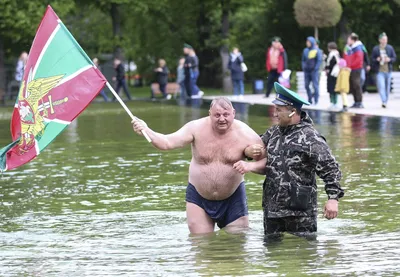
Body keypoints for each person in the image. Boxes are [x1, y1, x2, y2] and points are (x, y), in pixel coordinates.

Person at [132, 97, 264, 234]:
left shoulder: (245, 133)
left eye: (226, 115)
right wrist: (146, 130)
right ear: (209, 113)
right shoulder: (195, 128)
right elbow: (167, 143)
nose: (222, 119)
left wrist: (250, 166)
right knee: (200, 244)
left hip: (233, 196)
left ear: (234, 113)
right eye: (217, 115)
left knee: (236, 246)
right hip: (199, 198)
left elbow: (267, 162)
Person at [233, 82, 344, 239]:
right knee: (271, 255)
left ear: (293, 112)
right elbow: (254, 150)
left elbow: (331, 169)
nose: (275, 113)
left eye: (279, 110)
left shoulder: (310, 138)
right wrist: (247, 151)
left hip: (300, 211)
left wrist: (333, 199)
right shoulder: (273, 132)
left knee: (305, 255)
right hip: (272, 209)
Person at [371, 32, 397, 108]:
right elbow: (372, 59)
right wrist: (377, 59)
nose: (385, 41)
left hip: (388, 71)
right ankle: (384, 101)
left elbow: (394, 58)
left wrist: (389, 59)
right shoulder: (376, 49)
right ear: (380, 40)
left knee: (387, 87)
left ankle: (386, 100)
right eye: (383, 39)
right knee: (381, 86)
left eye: (386, 39)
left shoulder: (390, 48)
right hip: (380, 71)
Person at [343, 33, 364, 108]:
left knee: (356, 84)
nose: (347, 41)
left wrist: (350, 66)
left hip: (356, 69)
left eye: (348, 39)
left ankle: (359, 102)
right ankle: (355, 101)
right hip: (349, 69)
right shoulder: (348, 47)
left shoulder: (358, 48)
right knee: (352, 85)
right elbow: (345, 57)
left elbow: (358, 60)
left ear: (352, 40)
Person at [302, 37, 322, 105]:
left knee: (315, 86)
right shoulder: (305, 50)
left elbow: (319, 60)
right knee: (306, 85)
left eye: (309, 42)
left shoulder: (317, 50)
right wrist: (303, 67)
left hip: (314, 71)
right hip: (307, 71)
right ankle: (310, 99)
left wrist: (315, 69)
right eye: (307, 42)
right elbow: (303, 60)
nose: (307, 43)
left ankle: (316, 100)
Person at [325, 42, 341, 110]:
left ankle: (333, 103)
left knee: (331, 88)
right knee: (335, 88)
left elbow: (331, 64)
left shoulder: (332, 54)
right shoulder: (337, 54)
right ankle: (335, 103)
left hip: (332, 73)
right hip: (336, 73)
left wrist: (327, 68)